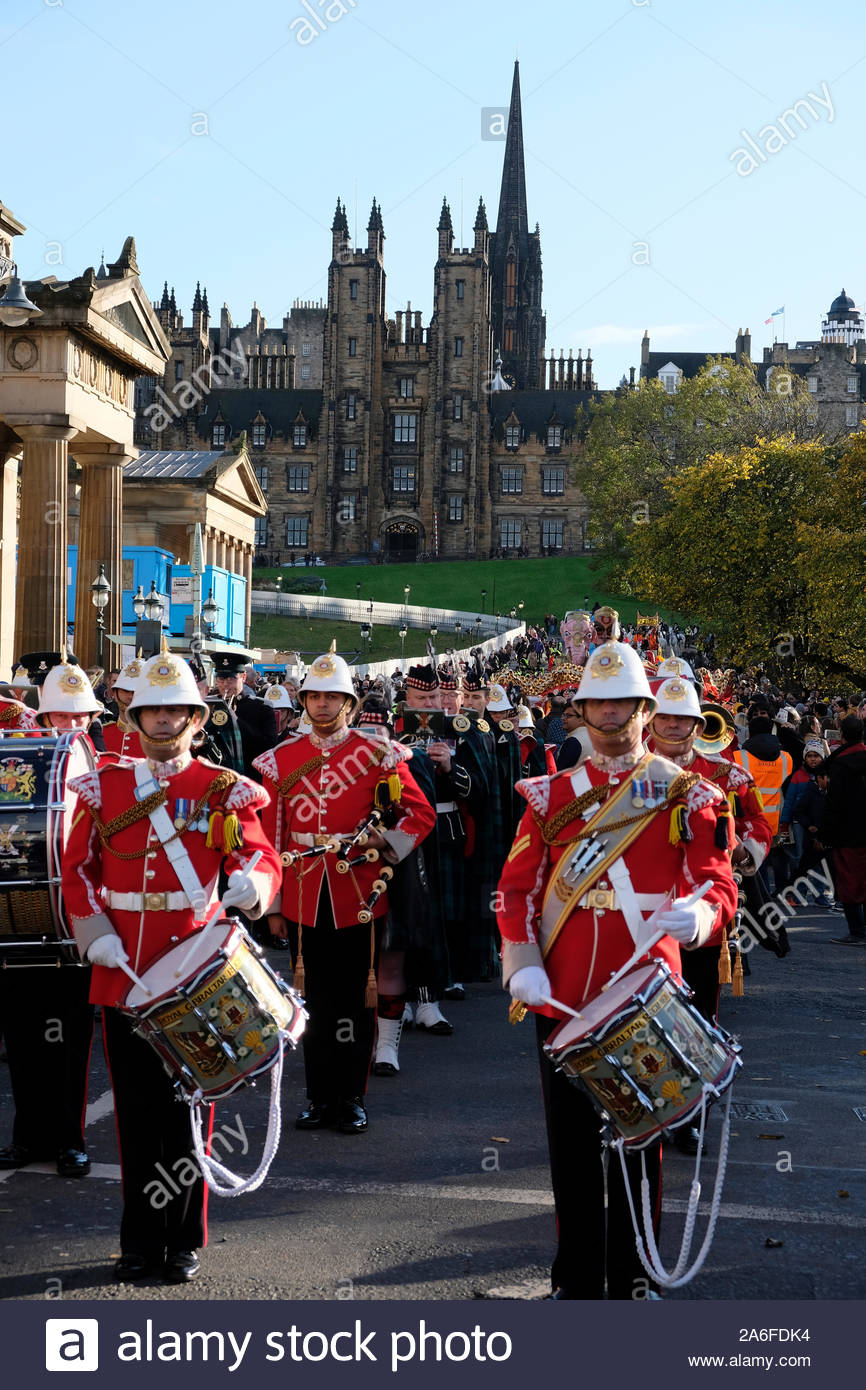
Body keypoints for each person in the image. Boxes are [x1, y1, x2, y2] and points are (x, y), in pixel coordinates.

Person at [497, 641, 737, 1299]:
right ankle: (575, 1280)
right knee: (571, 1154)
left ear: (644, 708)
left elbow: (718, 881)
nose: (609, 714)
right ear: (581, 709)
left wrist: (701, 914)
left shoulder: (687, 793)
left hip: (646, 1003)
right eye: (598, 702)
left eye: (622, 703)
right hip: (561, 999)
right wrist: (521, 965)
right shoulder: (550, 797)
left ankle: (634, 1280)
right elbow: (516, 890)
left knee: (638, 1152)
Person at [61, 649, 281, 1283]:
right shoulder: (102, 786)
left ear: (196, 717)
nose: (161, 721)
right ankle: (139, 1239)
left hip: (195, 967)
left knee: (191, 1109)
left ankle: (182, 1234)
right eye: (151, 710)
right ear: (133, 716)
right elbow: (76, 870)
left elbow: (263, 856)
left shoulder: (221, 788)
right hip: (123, 966)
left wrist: (250, 884)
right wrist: (94, 931)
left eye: (173, 711)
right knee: (135, 1113)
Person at [255, 644, 435, 1133]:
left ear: (350, 706)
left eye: (333, 698)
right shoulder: (279, 760)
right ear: (304, 701)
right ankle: (316, 1096)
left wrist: (382, 841)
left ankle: (351, 1097)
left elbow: (420, 815)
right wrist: (272, 905)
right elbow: (271, 836)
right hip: (301, 895)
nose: (323, 706)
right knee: (310, 1001)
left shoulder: (379, 755)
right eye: (315, 697)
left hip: (360, 894)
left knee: (357, 999)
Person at [0, 657, 95, 1180]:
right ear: (43, 717)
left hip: (72, 921)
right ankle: (26, 1136)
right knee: (21, 1035)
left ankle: (69, 1137)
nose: (71, 726)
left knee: (68, 1040)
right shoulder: (16, 764)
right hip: (19, 916)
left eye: (80, 717)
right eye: (61, 716)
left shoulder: (106, 772)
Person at [822, 714, 866, 945]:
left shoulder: (839, 765)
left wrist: (824, 833)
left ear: (841, 734)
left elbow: (834, 802)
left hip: (847, 832)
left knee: (849, 882)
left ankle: (858, 931)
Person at [212, 652, 277, 777]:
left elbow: (269, 746)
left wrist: (237, 722)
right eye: (222, 679)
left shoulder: (262, 707)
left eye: (232, 678)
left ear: (243, 677)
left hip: (248, 776)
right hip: (215, 775)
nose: (226, 684)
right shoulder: (209, 705)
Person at [100, 655, 144, 759]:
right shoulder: (102, 734)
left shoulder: (158, 739)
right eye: (125, 691)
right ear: (115, 694)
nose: (131, 696)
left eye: (136, 691)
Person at [555, 699, 584, 772]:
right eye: (563, 715)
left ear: (581, 719)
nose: (563, 718)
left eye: (568, 716)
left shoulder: (574, 741)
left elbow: (561, 772)